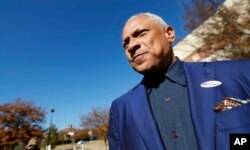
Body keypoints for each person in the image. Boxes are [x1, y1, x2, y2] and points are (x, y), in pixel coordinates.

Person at [107, 12, 250, 150]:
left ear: (169, 34)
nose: (131, 46)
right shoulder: (120, 110)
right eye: (126, 44)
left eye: (141, 33)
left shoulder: (240, 72)